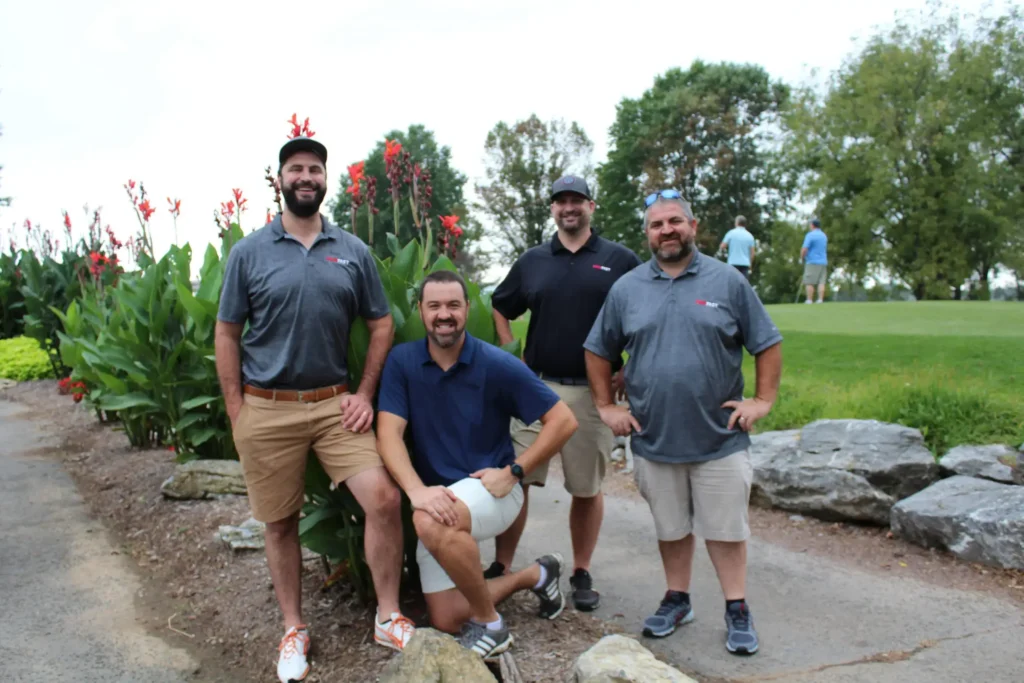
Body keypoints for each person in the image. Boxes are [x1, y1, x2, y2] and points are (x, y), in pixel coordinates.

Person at [215, 135, 413, 683]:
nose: (306, 177)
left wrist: (365, 393)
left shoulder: (351, 249)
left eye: (315, 169)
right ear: (280, 179)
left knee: (383, 499)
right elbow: (227, 333)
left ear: (326, 181)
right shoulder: (248, 252)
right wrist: (238, 411)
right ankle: (294, 628)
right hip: (267, 407)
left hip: (334, 406)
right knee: (279, 524)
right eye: (296, 169)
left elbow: (381, 323)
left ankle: (389, 614)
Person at [583, 189, 783, 656]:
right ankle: (678, 598)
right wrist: (606, 408)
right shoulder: (627, 288)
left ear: (693, 227)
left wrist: (762, 400)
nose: (666, 231)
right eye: (657, 225)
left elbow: (767, 343)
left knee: (726, 530)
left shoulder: (728, 281)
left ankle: (737, 607)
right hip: (654, 437)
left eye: (675, 221)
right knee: (670, 528)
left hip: (720, 439)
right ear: (648, 234)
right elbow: (597, 351)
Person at [375, 270, 579, 660]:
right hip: (438, 496)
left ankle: (491, 625)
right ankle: (536, 575)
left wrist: (515, 472)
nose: (444, 314)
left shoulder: (495, 363)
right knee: (448, 617)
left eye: (453, 304)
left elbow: (564, 420)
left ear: (468, 308)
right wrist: (416, 491)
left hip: (492, 490)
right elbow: (388, 434)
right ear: (420, 311)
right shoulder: (402, 362)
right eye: (434, 306)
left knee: (429, 521)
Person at [489, 175, 642, 611]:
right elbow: (501, 305)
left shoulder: (620, 259)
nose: (568, 208)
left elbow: (644, 315)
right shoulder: (534, 260)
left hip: (593, 394)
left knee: (586, 487)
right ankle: (501, 565)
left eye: (576, 200)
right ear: (553, 209)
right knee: (517, 478)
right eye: (561, 201)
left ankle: (581, 570)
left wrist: (629, 368)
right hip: (535, 390)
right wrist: (508, 351)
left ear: (591, 206)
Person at [800, 218, 828, 303]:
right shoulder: (823, 235)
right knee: (821, 281)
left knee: (809, 282)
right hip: (823, 261)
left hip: (812, 261)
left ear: (812, 225)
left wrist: (801, 258)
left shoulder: (810, 235)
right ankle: (820, 299)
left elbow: (804, 248)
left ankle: (809, 300)